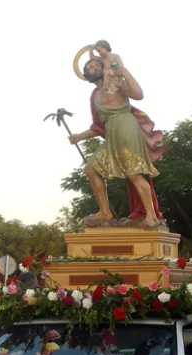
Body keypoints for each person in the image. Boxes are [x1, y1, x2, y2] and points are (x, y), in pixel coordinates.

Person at [69, 56, 165, 228]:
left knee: (134, 173)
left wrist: (122, 70)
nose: (93, 68)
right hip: (112, 135)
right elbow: (98, 127)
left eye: (97, 65)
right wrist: (79, 136)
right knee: (91, 169)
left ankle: (151, 216)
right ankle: (105, 212)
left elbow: (138, 94)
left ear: (104, 68)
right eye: (90, 67)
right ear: (86, 74)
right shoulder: (94, 96)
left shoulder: (116, 85)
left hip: (127, 128)